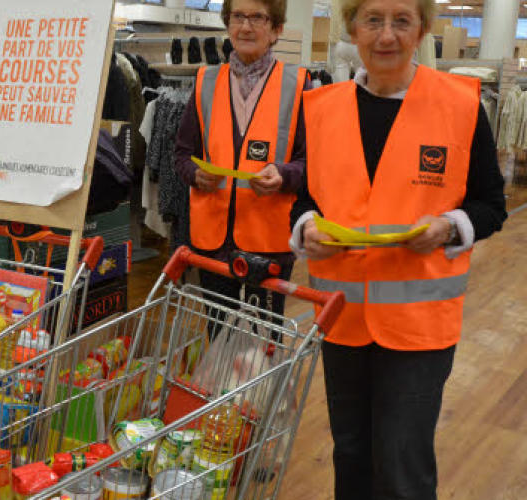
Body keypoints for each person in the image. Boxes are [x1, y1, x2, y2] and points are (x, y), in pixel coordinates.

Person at [288, 1, 508, 499]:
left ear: (421, 30)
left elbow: (491, 204)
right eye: (373, 20)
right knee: (350, 451)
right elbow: (306, 199)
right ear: (353, 29)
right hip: (341, 320)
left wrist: (451, 227)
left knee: (402, 460)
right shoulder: (321, 109)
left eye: (401, 21)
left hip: (420, 327)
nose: (386, 35)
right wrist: (305, 228)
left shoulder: (459, 104)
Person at [174, 0, 309, 330]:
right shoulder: (205, 81)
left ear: (276, 29)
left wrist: (284, 174)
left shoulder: (299, 85)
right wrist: (195, 174)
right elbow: (180, 154)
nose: (246, 27)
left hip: (269, 242)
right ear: (228, 23)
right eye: (238, 16)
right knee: (219, 336)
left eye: (257, 18)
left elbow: (313, 163)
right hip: (212, 240)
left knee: (264, 340)